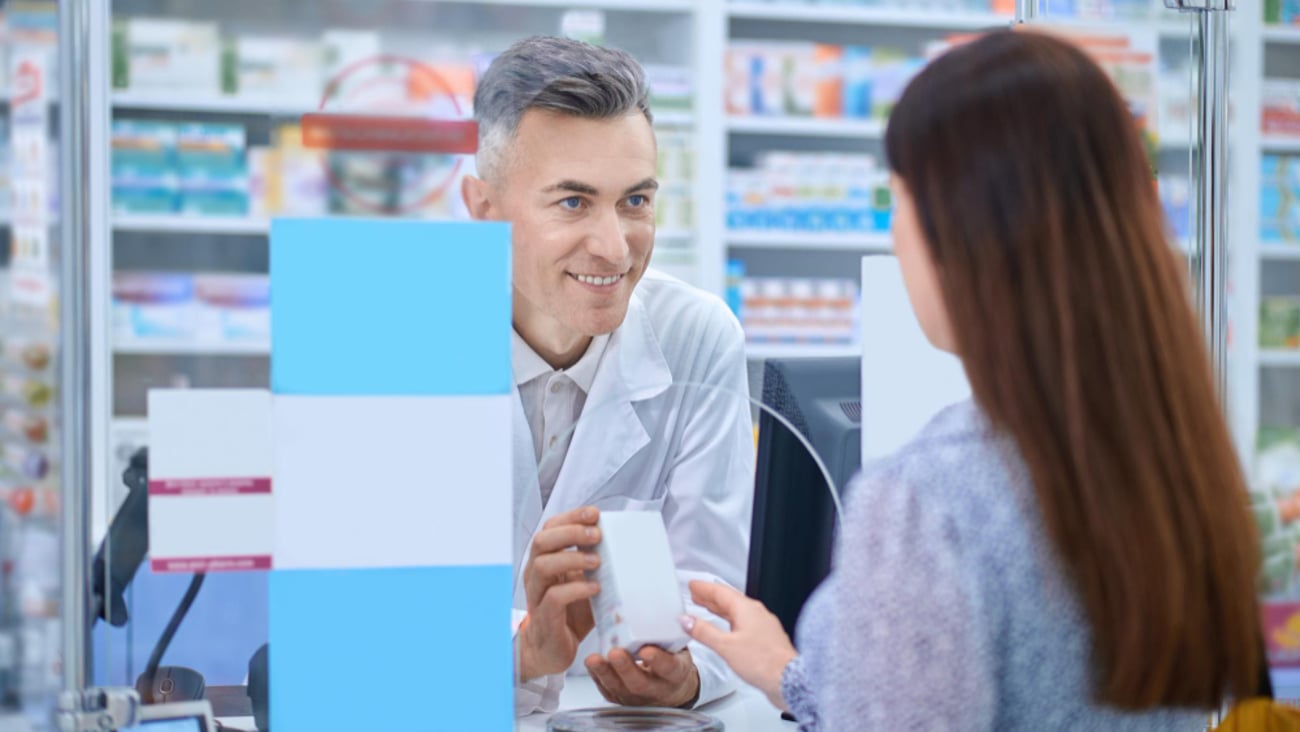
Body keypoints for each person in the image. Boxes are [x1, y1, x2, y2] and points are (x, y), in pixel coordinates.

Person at [682, 29, 1264, 730]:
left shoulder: (928, 499)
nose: (894, 237)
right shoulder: (1169, 454)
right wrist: (793, 679)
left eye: (896, 199)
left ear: (959, 227)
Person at [460, 36, 754, 716]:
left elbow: (710, 587)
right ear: (483, 210)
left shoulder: (698, 337)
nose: (615, 247)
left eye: (635, 201)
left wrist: (684, 674)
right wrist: (523, 647)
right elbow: (359, 622)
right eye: (572, 203)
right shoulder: (388, 338)